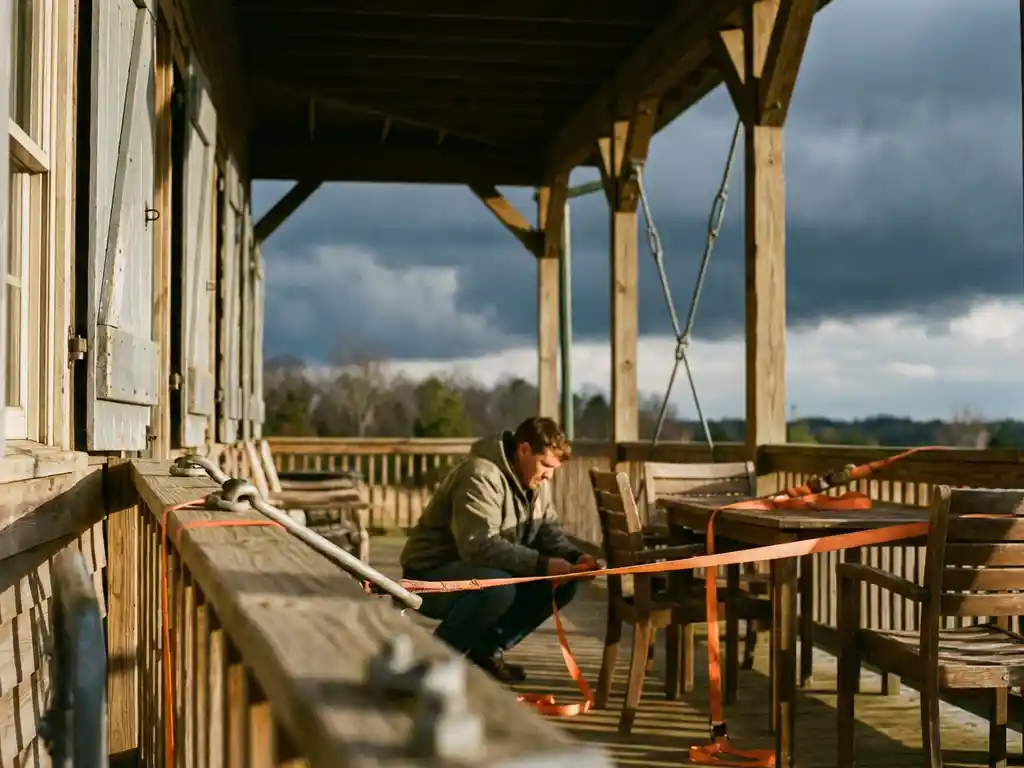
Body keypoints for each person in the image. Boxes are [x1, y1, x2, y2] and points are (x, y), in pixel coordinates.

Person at [400, 416, 602, 682]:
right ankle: (433, 662)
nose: (549, 475)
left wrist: (575, 557)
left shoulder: (535, 483)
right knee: (498, 587)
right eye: (545, 465)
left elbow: (548, 533)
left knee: (564, 583)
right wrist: (543, 564)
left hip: (481, 572)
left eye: (553, 468)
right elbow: (478, 547)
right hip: (427, 577)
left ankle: (486, 648)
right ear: (524, 449)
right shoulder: (479, 475)